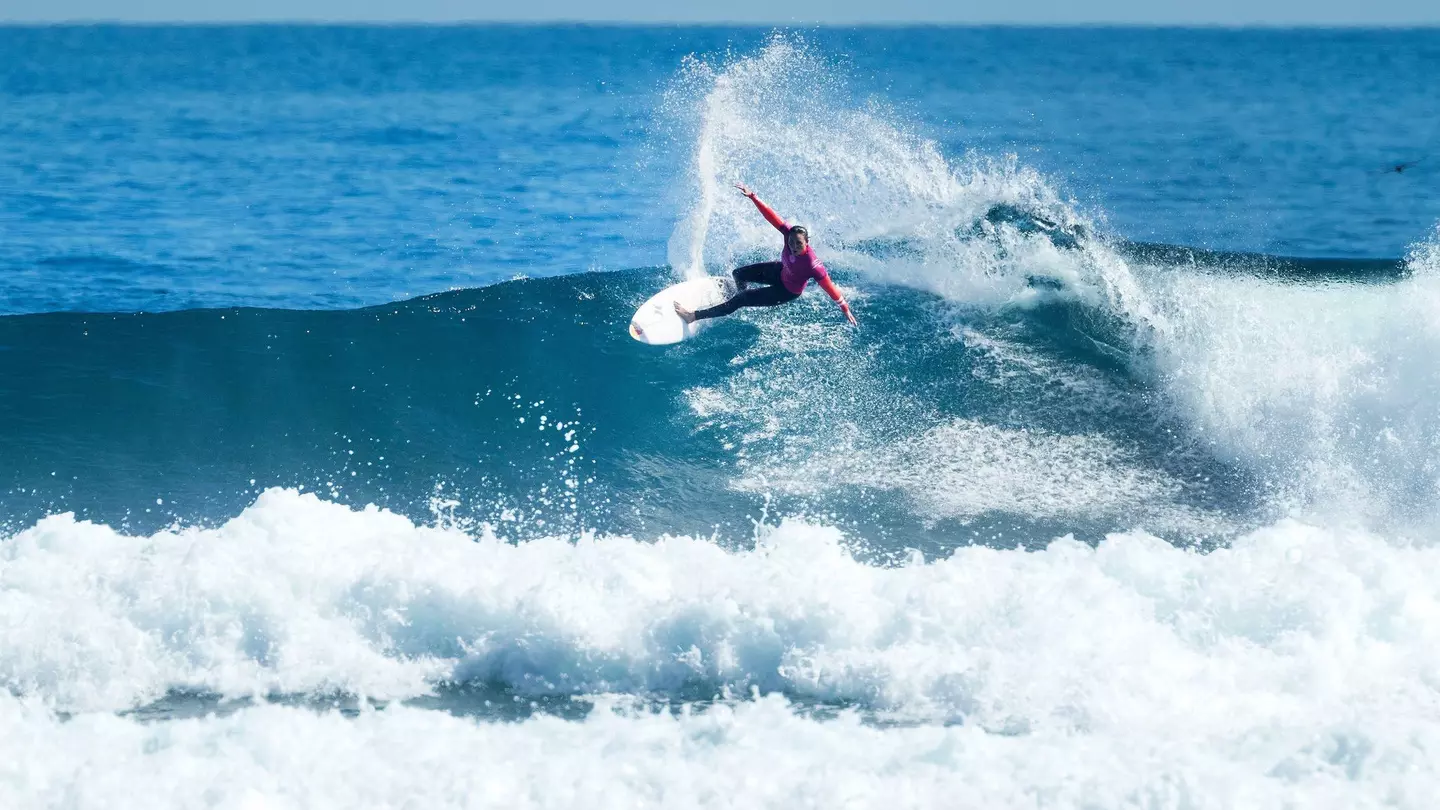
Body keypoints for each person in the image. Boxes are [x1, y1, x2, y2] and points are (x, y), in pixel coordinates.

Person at [675, 183, 857, 326]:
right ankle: (740, 299)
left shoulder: (813, 265)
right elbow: (771, 216)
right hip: (781, 271)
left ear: (807, 243)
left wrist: (845, 308)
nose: (793, 246)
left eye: (799, 244)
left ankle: (693, 316)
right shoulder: (789, 235)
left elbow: (830, 288)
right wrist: (753, 196)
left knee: (741, 299)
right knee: (738, 274)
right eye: (792, 242)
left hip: (786, 291)